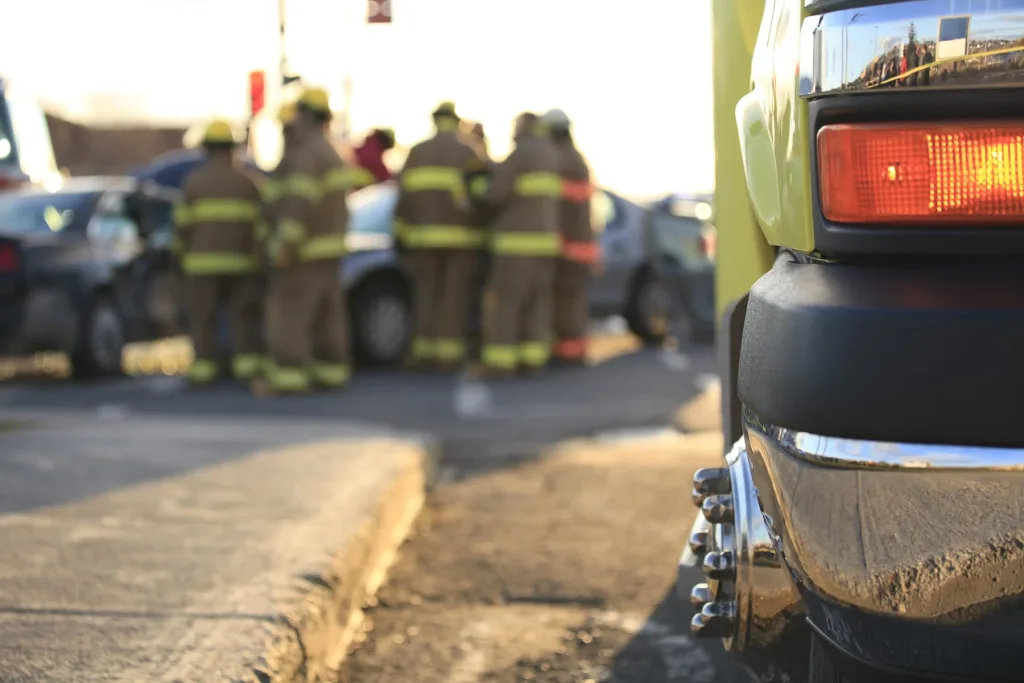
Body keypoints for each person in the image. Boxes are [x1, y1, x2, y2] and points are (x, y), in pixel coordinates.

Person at [256, 86, 351, 394]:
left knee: (290, 314)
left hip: (303, 253)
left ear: (306, 116)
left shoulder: (306, 156)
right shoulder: (332, 154)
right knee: (327, 316)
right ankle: (330, 373)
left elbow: (298, 207)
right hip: (329, 253)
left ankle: (289, 376)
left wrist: (284, 246)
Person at [172, 120, 265, 386]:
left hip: (201, 267)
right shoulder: (249, 184)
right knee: (243, 318)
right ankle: (245, 367)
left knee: (203, 319)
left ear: (207, 149)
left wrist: (177, 258)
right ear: (232, 149)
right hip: (242, 265)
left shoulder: (194, 183)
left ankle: (204, 370)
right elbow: (260, 228)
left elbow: (181, 227)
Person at [395, 101, 486, 370]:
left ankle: (424, 352)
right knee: (453, 297)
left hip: (422, 242)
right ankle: (449, 354)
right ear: (456, 122)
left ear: (434, 121)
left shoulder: (416, 153)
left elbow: (402, 200)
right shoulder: (469, 154)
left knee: (425, 295)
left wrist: (403, 236)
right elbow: (480, 198)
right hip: (461, 243)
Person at [476, 112, 562, 378]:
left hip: (516, 246)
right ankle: (532, 361)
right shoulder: (551, 155)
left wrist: (477, 189)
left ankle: (500, 364)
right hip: (545, 245)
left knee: (505, 302)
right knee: (536, 303)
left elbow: (495, 194)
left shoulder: (521, 154)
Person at [541, 108, 599, 367]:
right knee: (572, 303)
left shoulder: (562, 161)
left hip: (569, 248)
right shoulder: (576, 159)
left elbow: (559, 209)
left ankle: (569, 354)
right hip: (580, 247)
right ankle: (572, 352)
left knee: (565, 304)